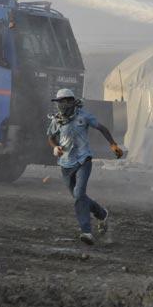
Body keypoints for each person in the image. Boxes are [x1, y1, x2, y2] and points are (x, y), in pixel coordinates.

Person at [47, 88, 124, 245]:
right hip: (65, 164)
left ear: (71, 101)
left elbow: (102, 128)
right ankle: (102, 214)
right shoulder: (57, 120)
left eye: (63, 101)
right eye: (59, 102)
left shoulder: (83, 116)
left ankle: (86, 231)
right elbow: (51, 137)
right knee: (78, 197)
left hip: (83, 160)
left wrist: (113, 145)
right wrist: (55, 147)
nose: (61, 105)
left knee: (79, 194)